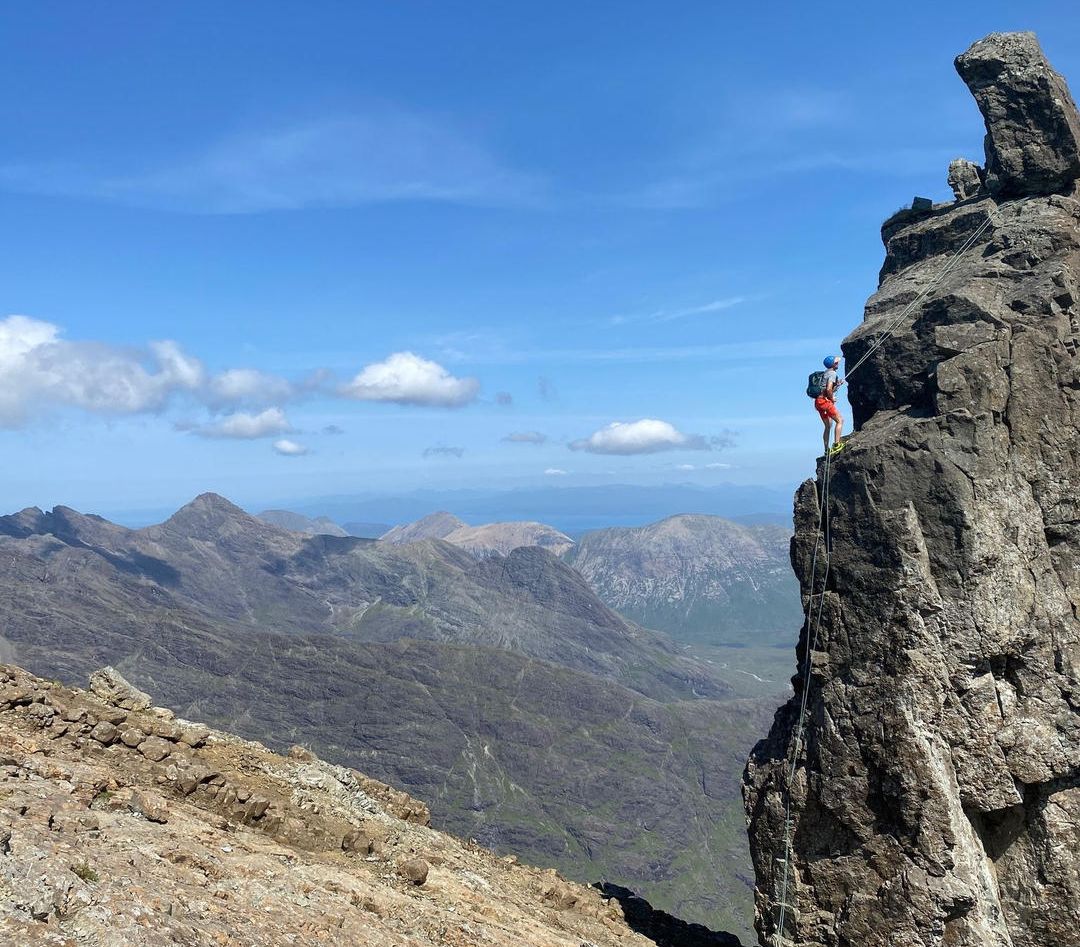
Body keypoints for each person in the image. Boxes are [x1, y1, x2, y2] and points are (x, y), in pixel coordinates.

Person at [815, 355, 845, 455]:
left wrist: (837, 384)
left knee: (828, 426)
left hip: (818, 402)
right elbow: (828, 389)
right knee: (840, 420)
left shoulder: (825, 373)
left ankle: (826, 450)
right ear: (833, 364)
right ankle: (837, 445)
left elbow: (826, 388)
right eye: (836, 362)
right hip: (825, 402)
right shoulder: (832, 373)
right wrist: (832, 398)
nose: (838, 363)